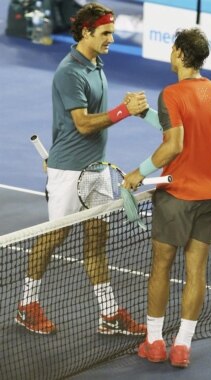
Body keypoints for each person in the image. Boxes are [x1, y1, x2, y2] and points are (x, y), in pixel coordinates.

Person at [15, 2, 148, 336]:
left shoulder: (95, 63)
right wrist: (124, 111)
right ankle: (27, 306)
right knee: (53, 237)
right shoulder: (68, 72)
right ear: (87, 32)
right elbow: (83, 125)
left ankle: (109, 314)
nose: (111, 39)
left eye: (111, 32)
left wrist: (123, 110)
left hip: (95, 169)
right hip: (69, 172)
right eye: (105, 33)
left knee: (96, 241)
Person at [123, 27, 211, 367]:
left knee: (161, 267)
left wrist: (139, 172)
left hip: (177, 196)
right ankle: (181, 346)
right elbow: (184, 129)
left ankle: (154, 342)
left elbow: (175, 144)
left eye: (172, 49)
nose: (170, 54)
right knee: (197, 271)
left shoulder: (171, 92)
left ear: (181, 54)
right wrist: (147, 115)